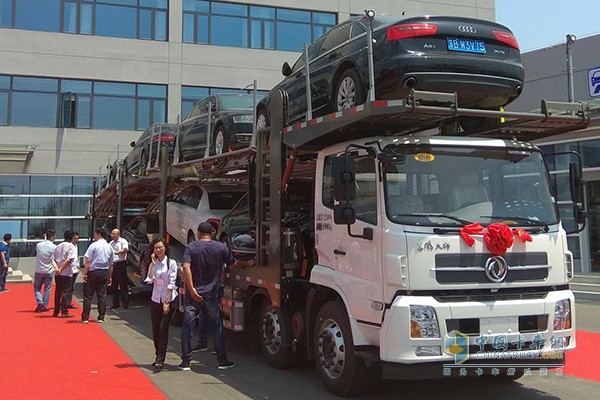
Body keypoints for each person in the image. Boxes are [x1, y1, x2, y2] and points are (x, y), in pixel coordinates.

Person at [179, 221, 237, 371]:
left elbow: (186, 267)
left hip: (194, 294)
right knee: (217, 326)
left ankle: (186, 361)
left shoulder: (191, 247)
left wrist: (192, 289)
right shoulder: (220, 247)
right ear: (211, 232)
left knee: (187, 326)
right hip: (212, 292)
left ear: (198, 233)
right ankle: (222, 360)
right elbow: (232, 263)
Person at [144, 238, 178, 373]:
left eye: (160, 247)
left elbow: (172, 283)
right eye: (156, 248)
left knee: (163, 329)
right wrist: (152, 264)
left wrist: (167, 302)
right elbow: (149, 279)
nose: (158, 250)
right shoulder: (154, 263)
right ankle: (158, 354)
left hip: (167, 299)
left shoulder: (171, 263)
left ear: (165, 248)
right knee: (155, 329)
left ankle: (160, 360)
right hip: (155, 299)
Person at [81, 228, 115, 324]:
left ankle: (85, 317)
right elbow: (111, 264)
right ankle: (101, 316)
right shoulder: (109, 247)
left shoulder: (93, 245)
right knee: (101, 295)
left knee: (88, 295)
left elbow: (88, 260)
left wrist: (85, 273)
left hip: (93, 272)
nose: (94, 236)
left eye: (95, 234)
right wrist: (109, 277)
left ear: (99, 235)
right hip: (103, 272)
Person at [52, 230, 76, 318]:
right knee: (66, 291)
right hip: (66, 272)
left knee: (58, 291)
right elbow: (69, 259)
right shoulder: (71, 246)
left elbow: (52, 259)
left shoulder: (58, 246)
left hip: (58, 271)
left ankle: (56, 310)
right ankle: (64, 310)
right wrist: (61, 269)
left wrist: (57, 268)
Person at [34, 230, 58, 312]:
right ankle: (43, 305)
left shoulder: (39, 245)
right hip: (49, 270)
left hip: (39, 269)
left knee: (37, 288)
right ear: (52, 236)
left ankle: (40, 302)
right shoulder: (54, 247)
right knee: (47, 289)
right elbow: (54, 259)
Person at [109, 228, 129, 309]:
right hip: (114, 264)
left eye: (114, 234)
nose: (112, 236)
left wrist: (116, 252)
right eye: (112, 234)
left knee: (122, 284)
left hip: (121, 263)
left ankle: (125, 304)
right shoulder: (111, 243)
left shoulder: (123, 241)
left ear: (118, 234)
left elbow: (126, 249)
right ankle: (115, 303)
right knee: (114, 284)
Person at [66, 232, 80, 309]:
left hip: (75, 269)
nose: (76, 240)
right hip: (69, 269)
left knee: (72, 287)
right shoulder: (69, 246)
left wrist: (78, 267)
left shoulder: (76, 246)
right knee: (68, 287)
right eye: (75, 238)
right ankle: (65, 302)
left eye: (77, 238)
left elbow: (76, 256)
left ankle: (69, 302)